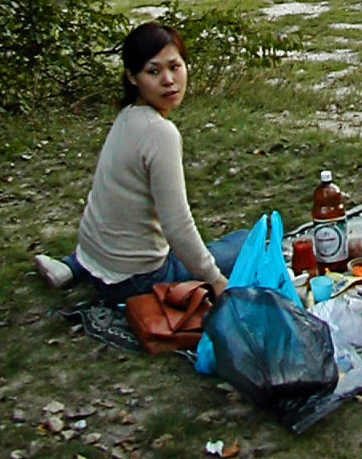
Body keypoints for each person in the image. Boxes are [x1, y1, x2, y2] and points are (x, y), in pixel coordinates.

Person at [34, 22, 247, 303]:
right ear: (133, 78)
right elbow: (177, 226)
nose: (169, 80)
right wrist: (215, 279)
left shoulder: (127, 116)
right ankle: (82, 269)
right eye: (153, 71)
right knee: (247, 240)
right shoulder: (161, 133)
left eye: (175, 66)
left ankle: (71, 267)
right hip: (135, 281)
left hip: (94, 257)